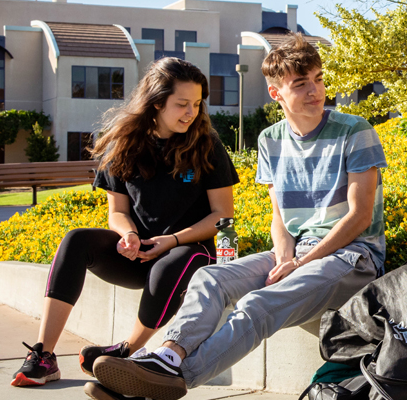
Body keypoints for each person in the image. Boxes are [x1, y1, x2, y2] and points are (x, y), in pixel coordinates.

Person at [87, 33, 387, 400]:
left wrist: (303, 261)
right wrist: (286, 257)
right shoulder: (270, 140)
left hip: (352, 257)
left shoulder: (355, 131)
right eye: (301, 84)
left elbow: (359, 216)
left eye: (319, 79)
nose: (316, 91)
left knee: (258, 304)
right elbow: (280, 218)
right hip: (298, 255)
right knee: (210, 278)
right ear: (276, 94)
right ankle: (165, 357)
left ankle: (170, 380)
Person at [10, 57, 239, 388]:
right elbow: (117, 211)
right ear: (157, 102)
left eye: (196, 103)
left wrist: (172, 240)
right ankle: (43, 355)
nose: (191, 112)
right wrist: (129, 235)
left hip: (192, 253)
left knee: (173, 262)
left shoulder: (206, 144)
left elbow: (223, 216)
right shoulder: (124, 142)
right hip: (140, 253)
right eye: (182, 104)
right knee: (76, 240)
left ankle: (127, 351)